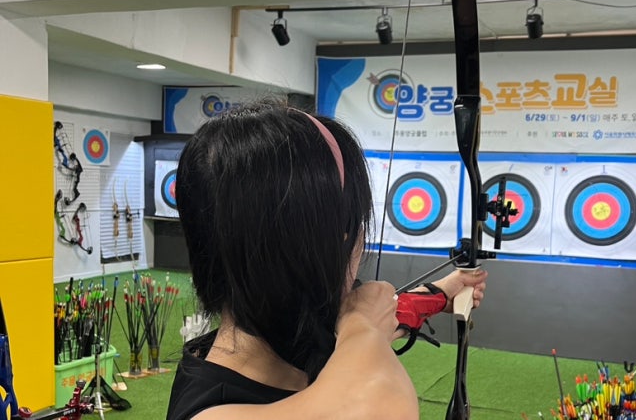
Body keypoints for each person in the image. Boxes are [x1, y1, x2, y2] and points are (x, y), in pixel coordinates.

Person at [167, 101, 487, 420]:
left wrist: (440, 294)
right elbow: (379, 399)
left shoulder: (301, 339)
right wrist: (361, 321)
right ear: (335, 240)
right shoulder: (211, 414)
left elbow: (384, 322)